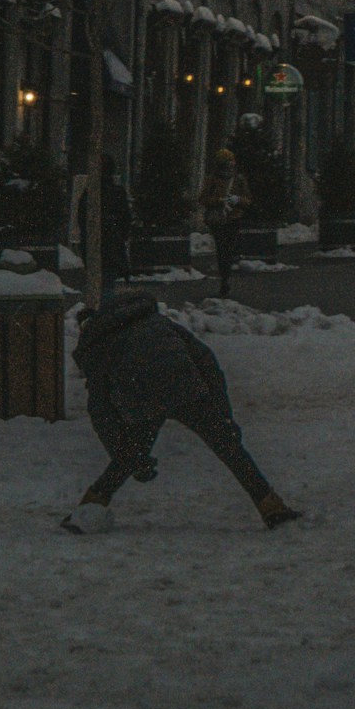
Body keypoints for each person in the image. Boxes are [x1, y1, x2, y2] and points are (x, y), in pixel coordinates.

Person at [63, 291, 298, 533]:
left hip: (141, 396)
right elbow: (206, 360)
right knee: (228, 448)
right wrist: (224, 417)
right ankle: (271, 506)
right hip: (185, 385)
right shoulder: (156, 321)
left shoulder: (96, 346)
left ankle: (90, 506)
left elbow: (102, 413)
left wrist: (129, 459)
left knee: (133, 448)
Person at [74, 151, 134, 286]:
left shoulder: (89, 193)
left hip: (93, 247)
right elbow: (126, 221)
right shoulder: (117, 193)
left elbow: (82, 220)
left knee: (96, 285)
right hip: (113, 246)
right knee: (107, 283)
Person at [198, 145, 250, 296]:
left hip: (233, 218)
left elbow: (248, 200)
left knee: (228, 249)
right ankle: (224, 278)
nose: (229, 168)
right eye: (226, 165)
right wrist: (219, 200)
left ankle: (225, 276)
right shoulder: (212, 180)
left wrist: (238, 199)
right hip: (218, 220)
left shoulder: (238, 180)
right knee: (222, 250)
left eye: (231, 164)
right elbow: (203, 199)